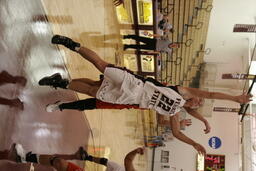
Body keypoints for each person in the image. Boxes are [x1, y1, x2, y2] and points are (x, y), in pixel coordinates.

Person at [38, 34, 252, 155]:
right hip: (134, 83)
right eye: (199, 98)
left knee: (93, 91)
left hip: (129, 99)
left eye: (198, 103)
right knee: (101, 65)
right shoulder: (182, 91)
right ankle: (72, 45)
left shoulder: (176, 112)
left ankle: (61, 82)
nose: (198, 99)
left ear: (191, 107)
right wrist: (235, 99)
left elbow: (177, 133)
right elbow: (211, 92)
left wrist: (194, 144)